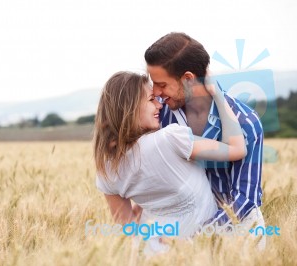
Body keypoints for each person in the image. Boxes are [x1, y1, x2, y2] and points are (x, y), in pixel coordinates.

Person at [93, 71, 246, 254]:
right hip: (202, 253)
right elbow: (237, 148)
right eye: (151, 100)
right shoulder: (170, 139)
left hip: (152, 255)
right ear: (130, 108)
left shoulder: (106, 170)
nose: (159, 104)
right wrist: (218, 94)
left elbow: (129, 230)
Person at [144, 32, 265, 247]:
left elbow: (246, 199)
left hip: (238, 240)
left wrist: (196, 238)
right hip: (176, 236)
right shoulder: (161, 116)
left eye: (162, 84)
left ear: (188, 78)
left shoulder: (245, 123)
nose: (156, 92)